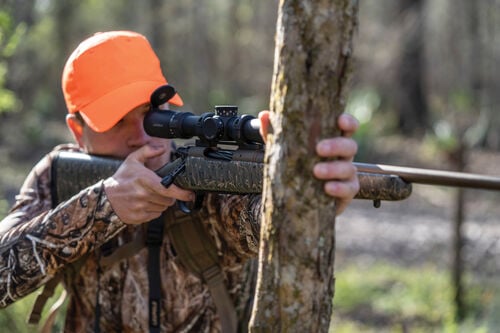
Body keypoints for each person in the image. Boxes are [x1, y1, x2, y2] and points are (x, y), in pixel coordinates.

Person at [0, 31, 359, 332]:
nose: (141, 136)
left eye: (151, 115)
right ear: (77, 131)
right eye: (116, 121)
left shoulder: (209, 177)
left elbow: (268, 219)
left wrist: (312, 193)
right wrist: (102, 207)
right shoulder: (60, 175)